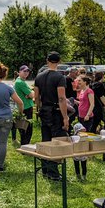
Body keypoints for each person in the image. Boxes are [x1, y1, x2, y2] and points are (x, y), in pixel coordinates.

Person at [33, 52, 69, 181]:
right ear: (59, 62)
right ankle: (53, 173)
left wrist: (39, 107)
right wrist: (65, 117)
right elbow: (61, 98)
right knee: (56, 142)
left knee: (45, 139)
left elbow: (36, 97)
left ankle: (45, 170)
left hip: (44, 110)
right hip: (55, 111)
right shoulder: (59, 77)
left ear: (47, 61)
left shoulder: (39, 77)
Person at [14, 65, 35, 145]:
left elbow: (31, 93)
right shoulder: (20, 82)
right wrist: (30, 93)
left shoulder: (22, 81)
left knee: (25, 128)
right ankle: (25, 146)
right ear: (19, 72)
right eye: (24, 71)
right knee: (26, 128)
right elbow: (32, 95)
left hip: (25, 106)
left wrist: (30, 93)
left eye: (27, 71)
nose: (26, 73)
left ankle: (25, 145)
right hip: (25, 107)